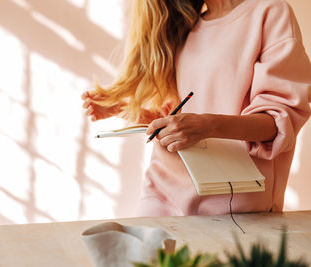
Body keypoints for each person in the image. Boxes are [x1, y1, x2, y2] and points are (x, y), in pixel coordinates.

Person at [82, 0, 311, 216]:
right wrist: (125, 110)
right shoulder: (187, 28)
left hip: (234, 206)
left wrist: (206, 125)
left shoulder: (269, 12)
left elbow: (279, 123)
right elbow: (180, 115)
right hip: (160, 192)